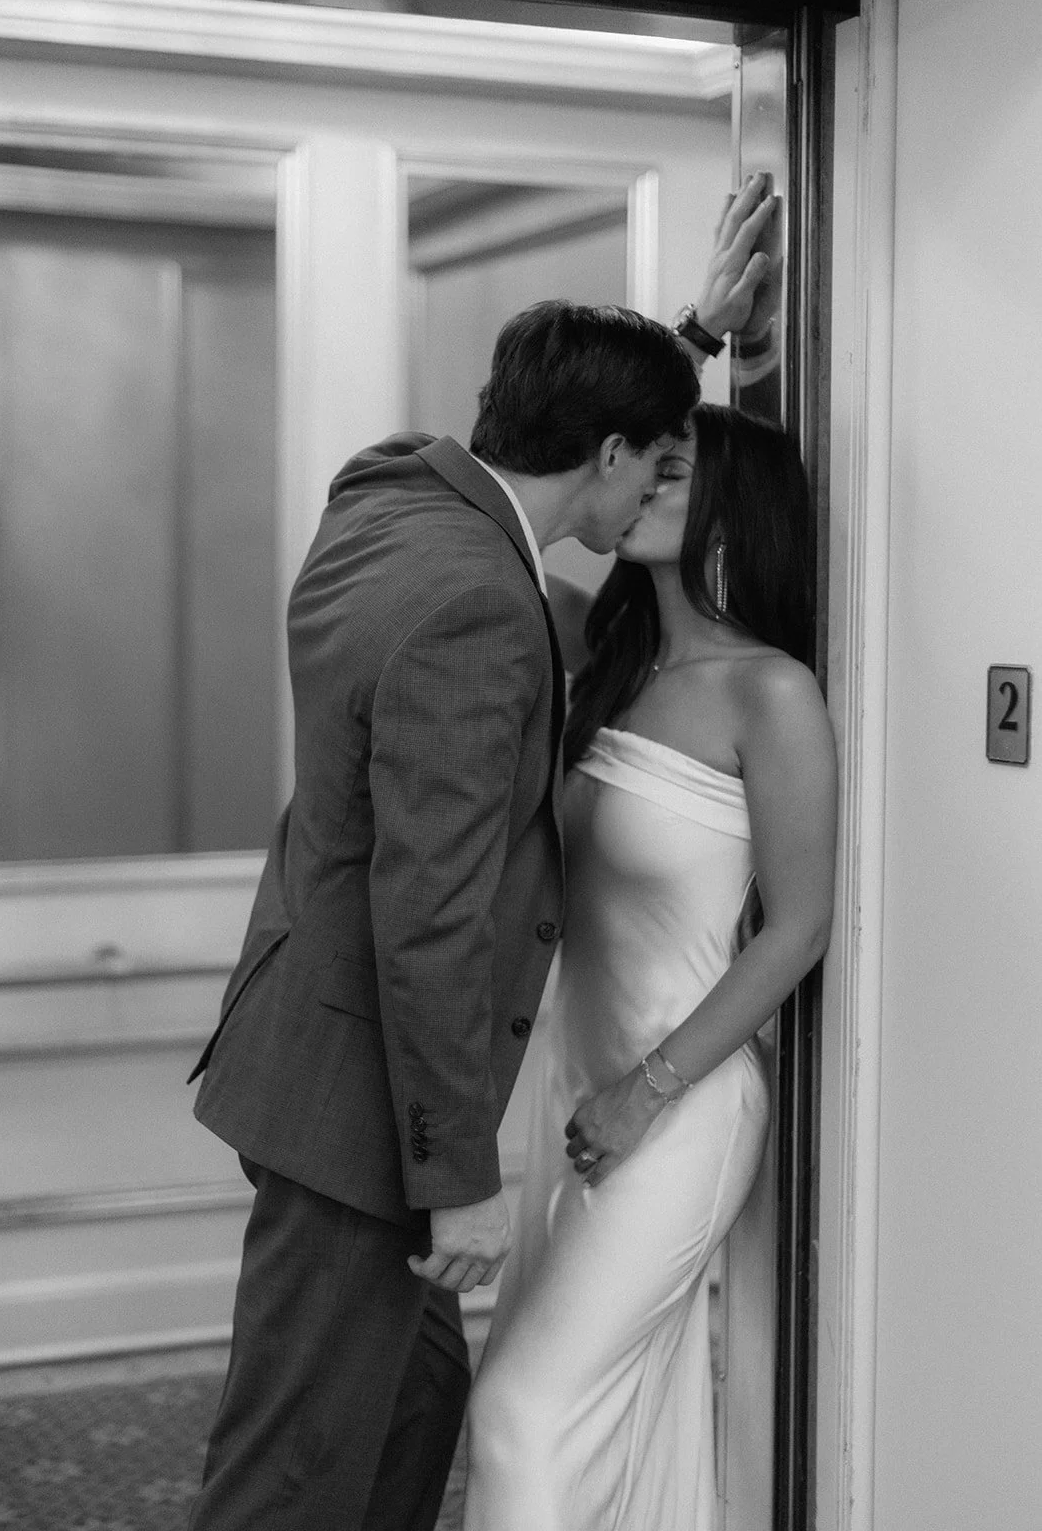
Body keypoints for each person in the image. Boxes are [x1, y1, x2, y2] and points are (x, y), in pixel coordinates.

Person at [186, 177, 777, 1531]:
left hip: (300, 1048)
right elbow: (432, 912)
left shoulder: (389, 488)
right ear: (615, 455)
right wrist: (454, 1183)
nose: (650, 495)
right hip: (362, 1108)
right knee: (289, 1475)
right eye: (652, 461)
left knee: (410, 1407)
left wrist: (686, 340)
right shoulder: (479, 611)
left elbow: (572, 458)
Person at [462, 404, 838, 1530]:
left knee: (521, 1415)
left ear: (733, 513)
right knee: (598, 1424)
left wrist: (646, 1092)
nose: (626, 478)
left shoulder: (770, 692)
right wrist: (682, 335)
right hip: (573, 1089)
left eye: (669, 469)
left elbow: (798, 930)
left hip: (678, 1107)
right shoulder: (601, 650)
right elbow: (487, 504)